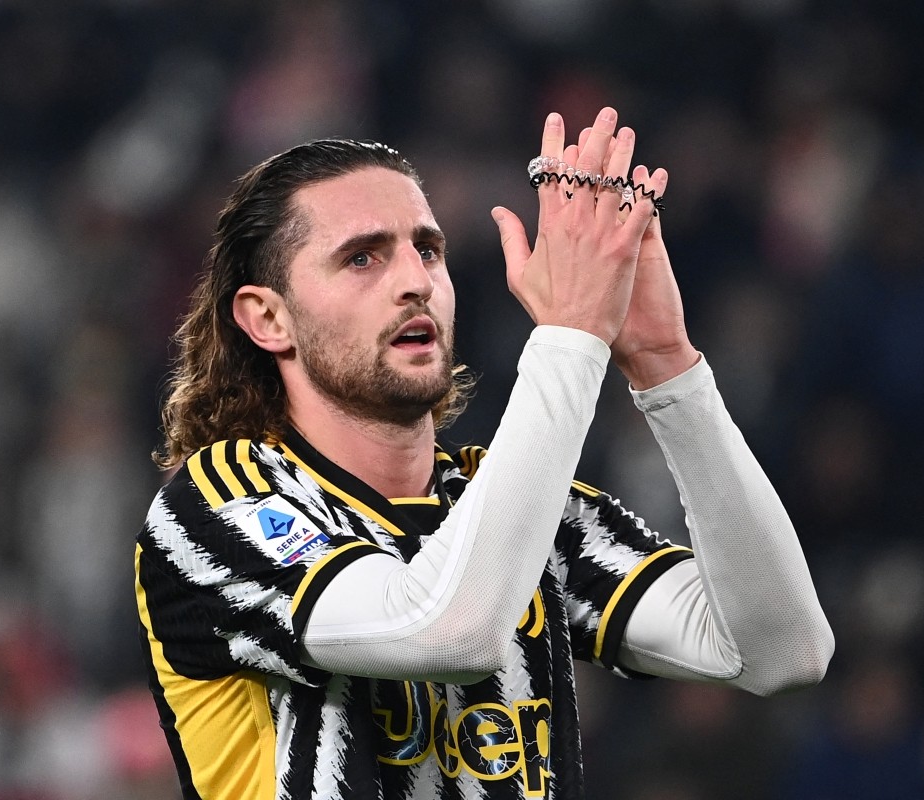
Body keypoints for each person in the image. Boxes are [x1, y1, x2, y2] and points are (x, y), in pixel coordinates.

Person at [135, 106, 834, 800]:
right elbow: (448, 632)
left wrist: (667, 369)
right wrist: (570, 335)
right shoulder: (220, 508)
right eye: (362, 257)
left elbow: (781, 650)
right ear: (268, 318)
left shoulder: (523, 510)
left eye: (428, 250)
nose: (415, 281)